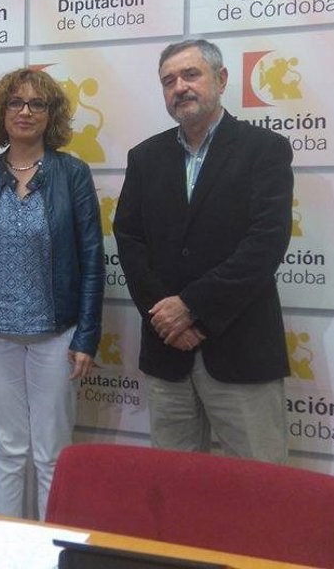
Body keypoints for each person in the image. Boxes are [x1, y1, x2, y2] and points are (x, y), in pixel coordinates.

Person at [113, 39, 293, 463]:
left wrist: (191, 307)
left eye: (190, 75)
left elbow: (265, 244)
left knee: (258, 488)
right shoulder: (145, 157)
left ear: (221, 79)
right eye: (168, 80)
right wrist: (167, 317)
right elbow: (129, 239)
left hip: (239, 348)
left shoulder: (264, 150)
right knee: (173, 490)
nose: (180, 87)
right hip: (167, 350)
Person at [0, 67, 104, 519]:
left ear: (50, 115)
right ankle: (6, 550)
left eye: (37, 104)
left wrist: (87, 336)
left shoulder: (72, 174)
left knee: (52, 452)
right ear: (1, 112)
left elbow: (92, 257)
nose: (25, 111)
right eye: (15, 102)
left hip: (55, 332)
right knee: (6, 446)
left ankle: (47, 551)